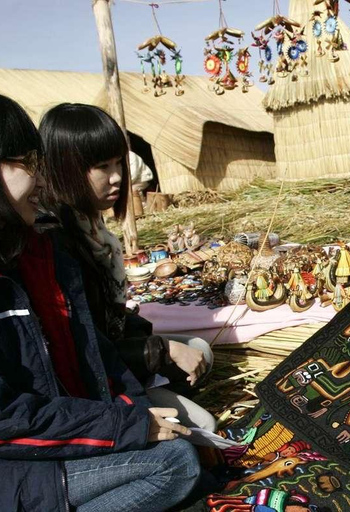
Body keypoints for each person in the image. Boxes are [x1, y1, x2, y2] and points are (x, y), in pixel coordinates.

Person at [0, 94, 200, 511]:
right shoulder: (47, 246)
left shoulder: (43, 251)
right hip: (21, 460)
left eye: (117, 165)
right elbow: (12, 417)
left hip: (54, 430)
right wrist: (125, 424)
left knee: (184, 437)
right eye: (24, 163)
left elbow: (91, 350)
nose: (39, 181)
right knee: (179, 461)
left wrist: (133, 412)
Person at [39, 103, 216, 431]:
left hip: (113, 355)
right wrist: (161, 351)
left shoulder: (90, 226)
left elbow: (110, 322)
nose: (118, 176)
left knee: (201, 350)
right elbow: (87, 349)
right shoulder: (57, 246)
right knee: (204, 426)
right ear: (66, 169)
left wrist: (157, 345)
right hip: (92, 382)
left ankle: (159, 395)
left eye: (118, 162)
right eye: (102, 167)